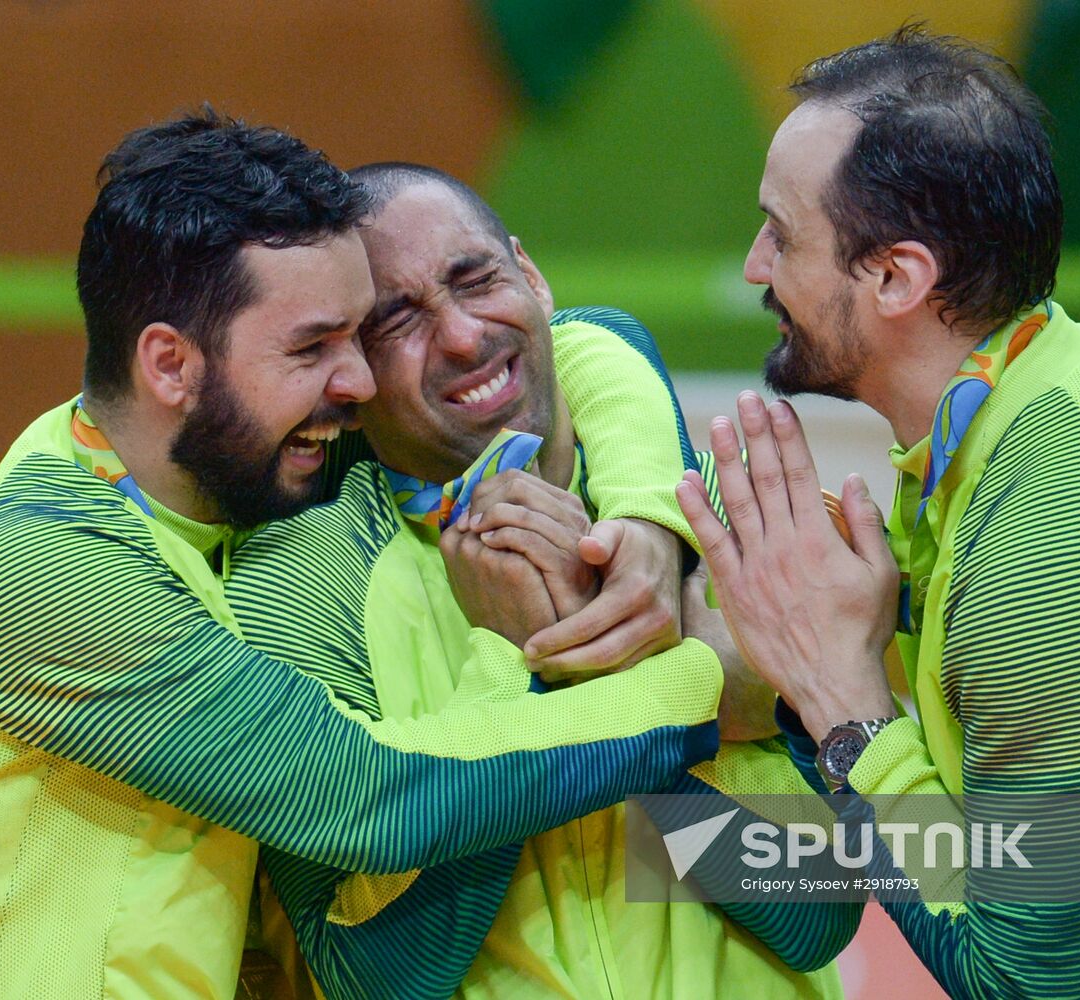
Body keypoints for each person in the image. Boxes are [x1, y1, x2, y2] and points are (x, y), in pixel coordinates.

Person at [0, 110, 736, 1000]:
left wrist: (648, 528)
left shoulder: (216, 474)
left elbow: (814, 906)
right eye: (316, 347)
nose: (360, 382)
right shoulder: (49, 564)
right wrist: (691, 670)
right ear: (171, 367)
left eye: (356, 335)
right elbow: (367, 806)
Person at [676, 26, 1080, 1000]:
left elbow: (1029, 984)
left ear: (894, 278)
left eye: (782, 235)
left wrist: (840, 702)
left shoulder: (1049, 538)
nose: (753, 268)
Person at [222, 163, 862, 999]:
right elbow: (373, 971)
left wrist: (605, 664)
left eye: (475, 279)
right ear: (350, 369)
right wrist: (519, 666)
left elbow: (820, 912)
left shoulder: (718, 509)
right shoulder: (298, 582)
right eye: (397, 321)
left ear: (530, 275)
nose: (460, 337)